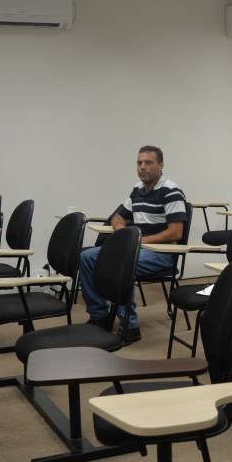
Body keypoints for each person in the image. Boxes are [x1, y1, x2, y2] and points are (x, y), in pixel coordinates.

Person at [79, 145, 187, 344]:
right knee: (86, 257)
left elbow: (176, 232)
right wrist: (123, 234)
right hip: (134, 249)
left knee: (121, 264)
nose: (142, 167)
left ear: (161, 165)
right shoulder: (137, 189)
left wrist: (137, 241)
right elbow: (118, 217)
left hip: (161, 255)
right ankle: (100, 316)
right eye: (139, 163)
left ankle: (130, 326)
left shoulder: (171, 191)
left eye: (148, 162)